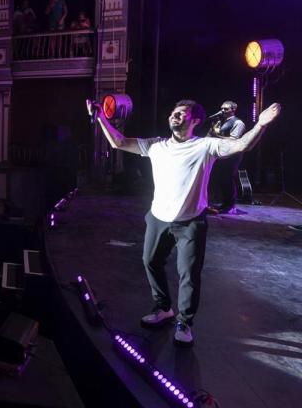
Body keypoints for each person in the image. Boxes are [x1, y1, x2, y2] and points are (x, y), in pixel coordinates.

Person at [89, 98, 281, 347]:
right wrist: (100, 118)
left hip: (190, 223)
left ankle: (184, 322)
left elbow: (243, 145)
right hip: (158, 218)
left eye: (181, 113)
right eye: (173, 112)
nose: (175, 116)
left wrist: (262, 124)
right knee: (150, 261)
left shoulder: (206, 146)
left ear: (195, 121)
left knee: (188, 274)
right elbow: (119, 142)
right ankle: (163, 308)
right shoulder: (156, 145)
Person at [207, 101, 247, 215]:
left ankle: (230, 206)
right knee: (218, 178)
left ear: (233, 109)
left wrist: (217, 136)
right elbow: (211, 135)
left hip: (232, 156)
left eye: (226, 109)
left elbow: (234, 140)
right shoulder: (219, 122)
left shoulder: (238, 123)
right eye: (222, 108)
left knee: (227, 178)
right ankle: (221, 203)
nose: (222, 111)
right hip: (220, 154)